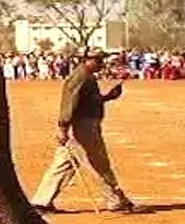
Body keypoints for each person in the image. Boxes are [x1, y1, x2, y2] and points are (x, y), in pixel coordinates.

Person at [29, 48, 148, 215]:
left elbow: (88, 101)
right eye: (98, 60)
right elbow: (69, 103)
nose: (102, 63)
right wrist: (63, 127)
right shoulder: (80, 77)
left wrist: (108, 97)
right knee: (98, 163)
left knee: (63, 164)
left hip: (83, 125)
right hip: (83, 128)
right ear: (87, 60)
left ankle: (41, 202)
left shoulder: (87, 77)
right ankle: (116, 201)